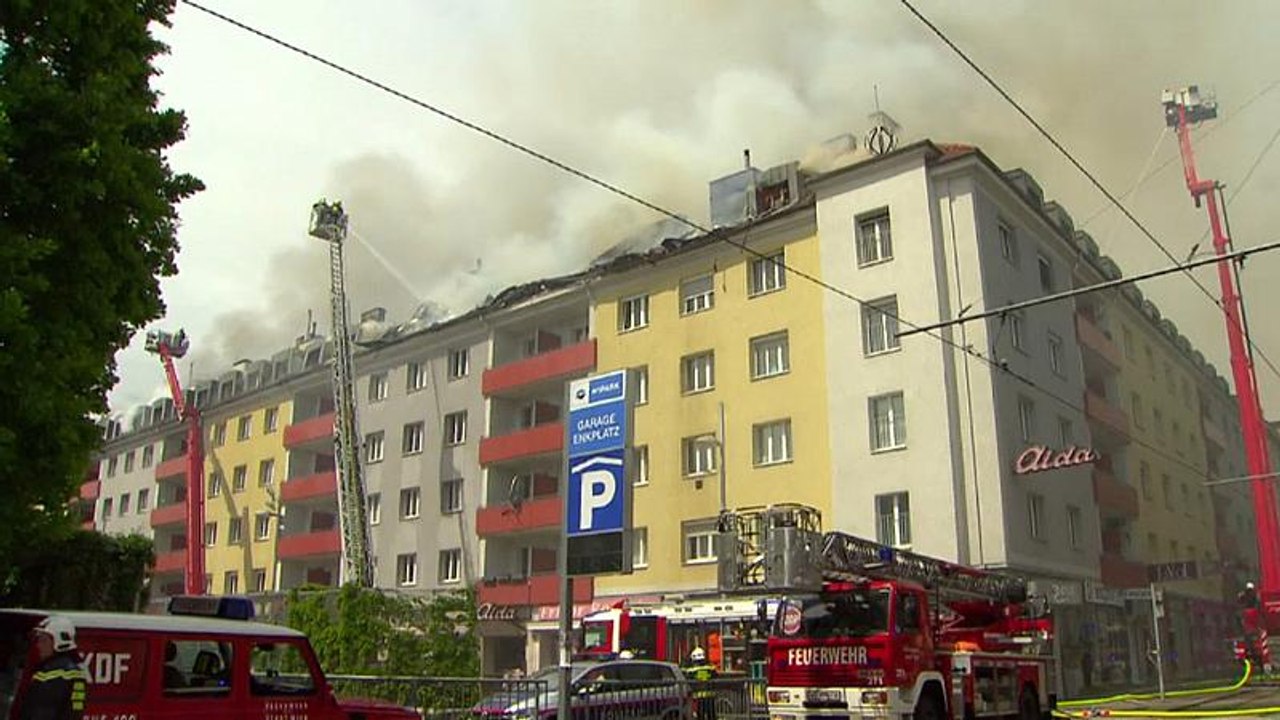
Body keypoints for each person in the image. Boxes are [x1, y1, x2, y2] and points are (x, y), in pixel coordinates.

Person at [21, 616, 87, 720]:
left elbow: (40, 714)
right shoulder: (76, 671)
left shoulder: (50, 675)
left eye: (43, 640)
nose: (39, 645)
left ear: (59, 642)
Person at [682, 647, 717, 720]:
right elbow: (715, 675)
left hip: (699, 698)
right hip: (710, 697)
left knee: (700, 716)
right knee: (712, 715)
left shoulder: (692, 670)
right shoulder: (710, 668)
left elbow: (685, 675)